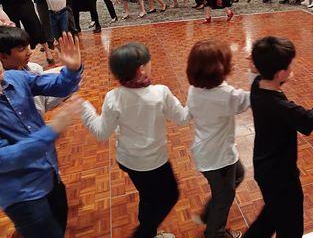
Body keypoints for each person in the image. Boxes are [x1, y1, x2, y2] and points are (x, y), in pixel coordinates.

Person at [243, 37, 313, 238]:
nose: (293, 65)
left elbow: (255, 66)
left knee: (269, 218)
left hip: (265, 168)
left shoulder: (258, 84)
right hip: (281, 177)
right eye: (290, 64)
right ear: (279, 74)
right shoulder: (283, 108)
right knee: (291, 228)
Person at [80, 42, 189, 238]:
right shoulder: (160, 93)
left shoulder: (113, 97)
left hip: (128, 161)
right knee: (170, 195)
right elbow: (182, 119)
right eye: (149, 63)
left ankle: (149, 231)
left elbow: (102, 133)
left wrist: (84, 108)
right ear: (141, 69)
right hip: (156, 162)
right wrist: (200, 98)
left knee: (147, 196)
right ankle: (144, 233)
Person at [0, 31, 83, 238]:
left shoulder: (14, 78)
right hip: (22, 195)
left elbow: (58, 86)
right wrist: (52, 130)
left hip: (49, 174)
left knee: (59, 223)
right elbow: (5, 159)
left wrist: (72, 69)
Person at [186, 40, 250, 238]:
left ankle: (207, 215)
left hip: (208, 153)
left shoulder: (194, 89)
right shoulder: (225, 95)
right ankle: (215, 232)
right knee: (225, 198)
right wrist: (256, 73)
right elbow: (249, 99)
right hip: (218, 158)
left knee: (238, 174)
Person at [0, 26, 65, 117]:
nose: (29, 52)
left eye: (28, 46)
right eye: (21, 49)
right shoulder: (3, 86)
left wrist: (68, 80)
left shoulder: (35, 69)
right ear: (3, 56)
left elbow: (43, 103)